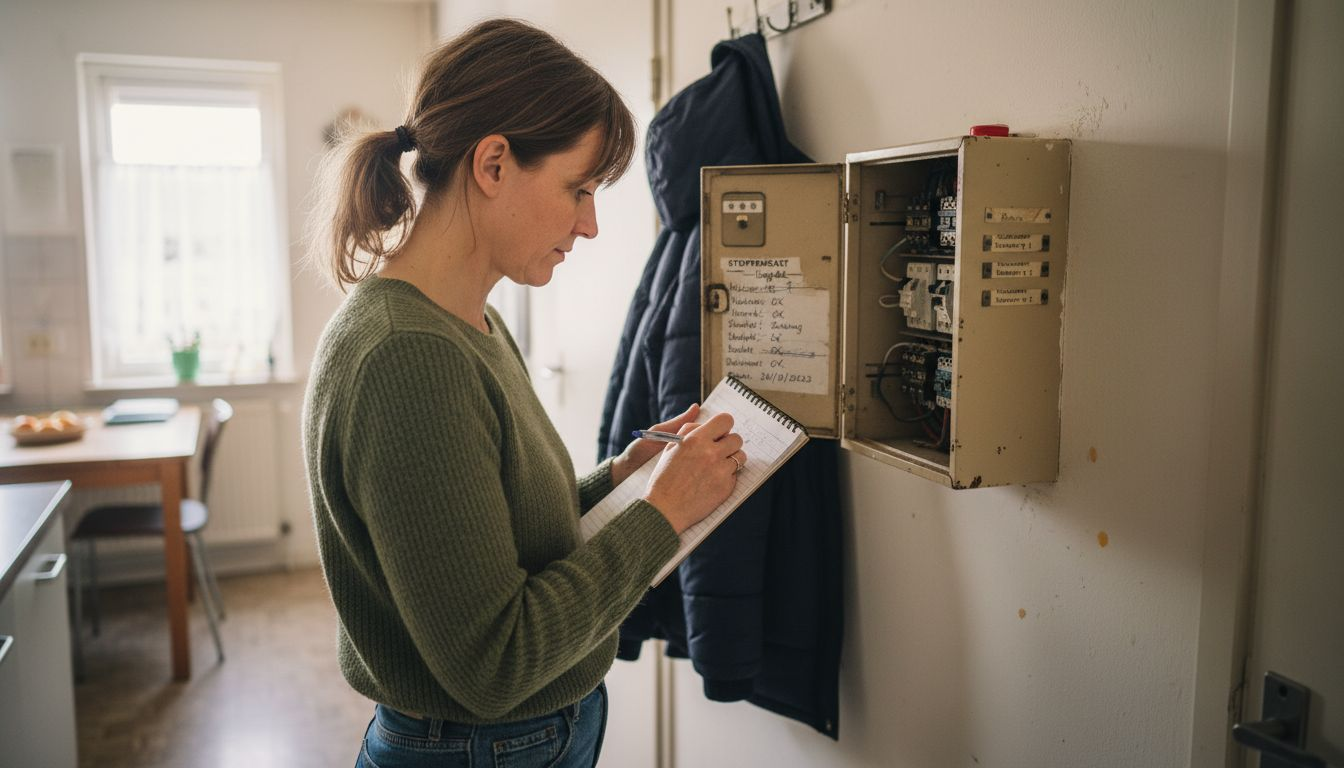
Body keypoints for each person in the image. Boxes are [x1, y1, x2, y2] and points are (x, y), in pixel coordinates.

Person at [302, 18, 747, 768]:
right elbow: (493, 663)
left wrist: (621, 480)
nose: (591, 224)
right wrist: (661, 517)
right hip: (481, 747)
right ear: (494, 164)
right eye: (578, 189)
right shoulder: (409, 356)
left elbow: (485, 537)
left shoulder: (465, 321)